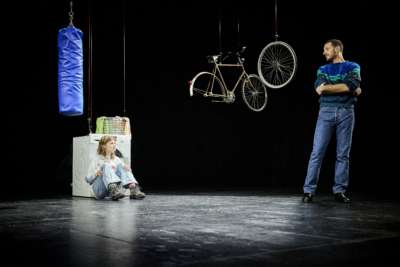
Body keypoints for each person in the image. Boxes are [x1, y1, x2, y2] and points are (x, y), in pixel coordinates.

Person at [302, 39, 361, 203]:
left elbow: (351, 84)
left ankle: (339, 191)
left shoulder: (353, 66)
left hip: (347, 113)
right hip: (326, 112)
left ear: (337, 49)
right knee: (317, 153)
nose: (323, 52)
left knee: (343, 154)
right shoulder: (322, 69)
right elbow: (320, 88)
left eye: (326, 49)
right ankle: (308, 191)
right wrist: (348, 88)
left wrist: (329, 87)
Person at [85, 135, 145, 200]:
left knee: (122, 165)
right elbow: (87, 179)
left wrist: (128, 170)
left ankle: (133, 189)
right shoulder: (96, 159)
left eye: (114, 143)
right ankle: (113, 188)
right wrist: (96, 173)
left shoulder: (117, 160)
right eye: (111, 143)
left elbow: (123, 177)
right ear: (104, 146)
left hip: (113, 193)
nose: (114, 145)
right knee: (106, 165)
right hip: (99, 191)